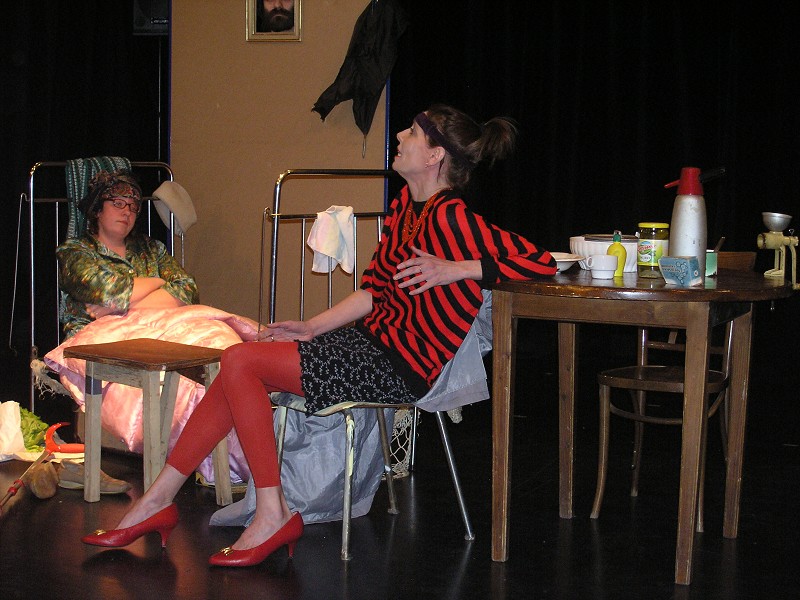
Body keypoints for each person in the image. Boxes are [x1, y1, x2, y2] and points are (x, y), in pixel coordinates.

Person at [80, 104, 557, 567]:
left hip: (401, 366)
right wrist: (311, 327)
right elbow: (373, 291)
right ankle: (160, 501)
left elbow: (541, 262)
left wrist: (459, 268)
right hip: (371, 347)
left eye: (412, 133)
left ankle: (267, 513)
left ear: (435, 156)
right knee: (239, 362)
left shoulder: (451, 216)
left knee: (241, 361)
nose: (399, 136)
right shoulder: (404, 210)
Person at [57, 170, 199, 337]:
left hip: (153, 336)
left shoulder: (153, 249)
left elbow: (188, 290)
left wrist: (120, 307)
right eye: (118, 203)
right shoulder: (75, 252)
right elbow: (108, 291)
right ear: (97, 210)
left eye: (133, 207)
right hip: (96, 341)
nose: (127, 212)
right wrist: (158, 282)